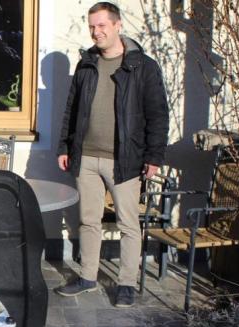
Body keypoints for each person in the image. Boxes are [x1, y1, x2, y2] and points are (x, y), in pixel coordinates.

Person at [56, 2, 169, 307]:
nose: (96, 32)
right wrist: (64, 147)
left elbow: (158, 114)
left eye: (102, 25)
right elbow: (71, 110)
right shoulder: (86, 64)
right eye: (92, 26)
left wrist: (154, 156)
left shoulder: (142, 66)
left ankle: (127, 283)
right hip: (86, 157)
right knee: (88, 220)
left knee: (128, 224)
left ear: (118, 25)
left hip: (124, 159)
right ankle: (87, 277)